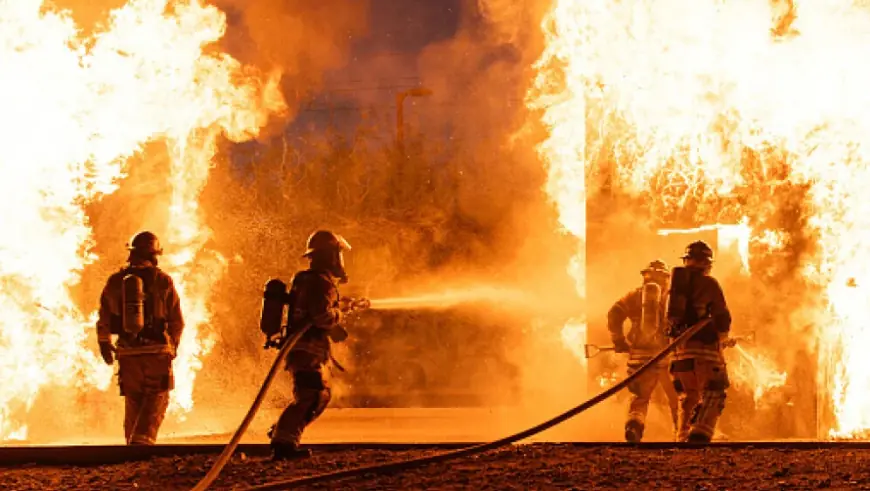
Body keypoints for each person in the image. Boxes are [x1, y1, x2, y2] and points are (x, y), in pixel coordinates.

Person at [269, 230, 351, 460]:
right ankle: (283, 442)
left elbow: (313, 314)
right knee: (311, 396)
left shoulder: (307, 280)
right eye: (337, 254)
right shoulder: (321, 283)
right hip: (308, 351)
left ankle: (283, 433)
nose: (340, 260)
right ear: (330, 256)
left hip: (305, 350)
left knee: (318, 395)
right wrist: (339, 313)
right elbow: (322, 316)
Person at [96, 231, 184, 445]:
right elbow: (176, 321)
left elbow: (104, 317)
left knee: (134, 400)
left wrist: (104, 343)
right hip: (156, 353)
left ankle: (131, 450)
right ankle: (141, 447)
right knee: (156, 398)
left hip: (127, 353)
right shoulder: (163, 281)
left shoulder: (116, 281)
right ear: (154, 255)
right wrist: (172, 347)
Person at [666, 240, 732, 443]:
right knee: (715, 392)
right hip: (705, 355)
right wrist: (722, 337)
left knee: (688, 398)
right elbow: (722, 318)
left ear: (687, 261)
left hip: (678, 357)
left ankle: (683, 437)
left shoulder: (672, 289)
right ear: (705, 262)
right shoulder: (709, 284)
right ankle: (700, 434)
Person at [608, 259, 679, 442]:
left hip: (640, 356)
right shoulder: (673, 298)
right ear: (666, 278)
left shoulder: (634, 296)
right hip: (668, 355)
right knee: (679, 397)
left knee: (640, 397)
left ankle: (634, 426)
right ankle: (682, 433)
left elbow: (614, 313)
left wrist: (619, 340)